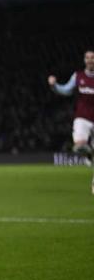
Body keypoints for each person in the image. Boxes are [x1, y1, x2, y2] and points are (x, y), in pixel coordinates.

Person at [49, 50, 94, 184]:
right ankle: (90, 155)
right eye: (87, 58)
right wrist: (54, 86)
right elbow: (65, 90)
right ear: (84, 60)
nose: (90, 60)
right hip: (82, 117)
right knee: (79, 147)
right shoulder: (78, 76)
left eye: (92, 57)